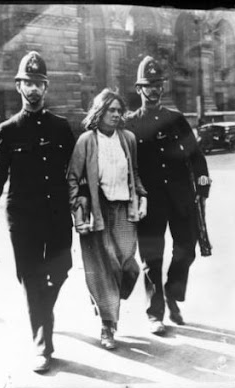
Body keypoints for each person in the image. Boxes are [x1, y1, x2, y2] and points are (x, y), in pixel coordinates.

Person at [0, 51, 75, 372]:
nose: (33, 89)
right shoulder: (7, 130)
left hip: (58, 216)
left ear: (46, 88)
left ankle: (43, 314)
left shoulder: (62, 128)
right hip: (23, 220)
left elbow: (75, 174)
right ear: (18, 86)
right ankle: (42, 344)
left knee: (62, 269)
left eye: (39, 83)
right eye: (28, 83)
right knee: (32, 278)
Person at [125, 56, 211, 335]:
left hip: (181, 198)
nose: (154, 90)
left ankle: (172, 293)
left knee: (186, 251)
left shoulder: (176, 120)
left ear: (163, 88)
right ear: (139, 89)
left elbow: (196, 156)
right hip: (149, 201)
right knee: (152, 258)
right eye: (148, 85)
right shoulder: (129, 124)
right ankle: (155, 313)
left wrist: (202, 181)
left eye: (158, 85)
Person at [67, 89, 147, 350]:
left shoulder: (128, 139)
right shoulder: (87, 141)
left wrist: (142, 195)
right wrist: (79, 209)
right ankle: (107, 325)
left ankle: (104, 299)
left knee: (127, 265)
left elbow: (134, 173)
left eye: (118, 110)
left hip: (124, 211)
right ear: (99, 112)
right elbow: (72, 178)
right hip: (98, 211)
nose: (116, 114)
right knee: (105, 267)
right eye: (110, 110)